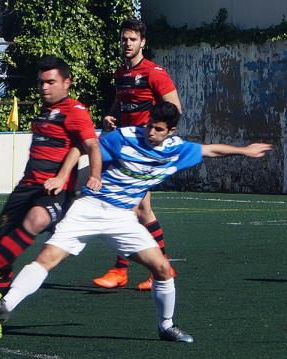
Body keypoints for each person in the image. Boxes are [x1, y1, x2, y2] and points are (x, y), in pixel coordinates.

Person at [0, 101, 271, 343]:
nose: (150, 132)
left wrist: (245, 151)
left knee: (162, 269)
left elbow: (211, 149)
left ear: (170, 131)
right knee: (46, 259)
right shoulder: (124, 137)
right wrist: (70, 178)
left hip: (122, 217)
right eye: (149, 125)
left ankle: (166, 326)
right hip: (90, 207)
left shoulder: (177, 150)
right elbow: (84, 146)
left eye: (158, 129)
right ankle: (1, 309)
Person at [0, 55, 102, 303]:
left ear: (67, 82)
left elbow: (91, 145)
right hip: (27, 185)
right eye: (41, 83)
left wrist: (93, 176)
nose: (44, 88)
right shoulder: (45, 110)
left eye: (50, 82)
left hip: (53, 190)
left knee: (35, 220)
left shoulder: (76, 111)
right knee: (2, 236)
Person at [93, 18, 182, 291]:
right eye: (124, 39)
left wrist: (155, 135)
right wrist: (111, 117)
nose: (127, 43)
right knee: (142, 209)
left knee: (128, 207)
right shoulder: (121, 73)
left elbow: (174, 108)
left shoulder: (154, 72)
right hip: (126, 147)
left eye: (132, 39)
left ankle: (122, 269)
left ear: (143, 42)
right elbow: (120, 103)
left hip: (144, 150)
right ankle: (161, 267)